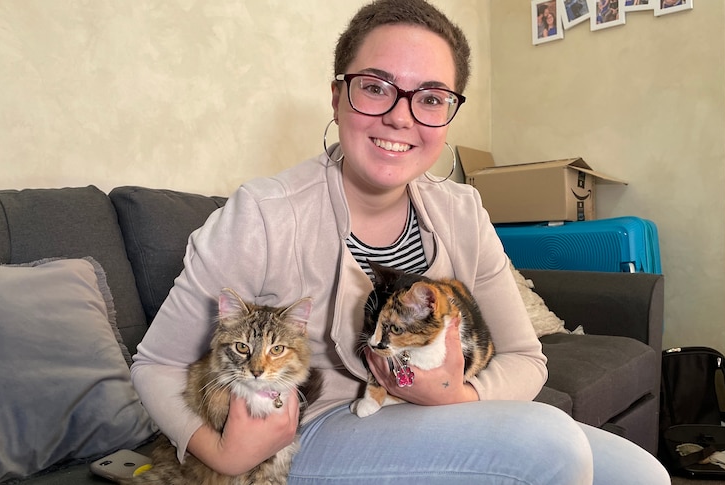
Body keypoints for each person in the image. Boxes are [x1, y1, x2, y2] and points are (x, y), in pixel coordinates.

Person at [130, 0, 671, 483]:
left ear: (448, 112)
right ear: (338, 96)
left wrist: (457, 394)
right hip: (315, 429)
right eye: (375, 86)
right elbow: (154, 364)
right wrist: (221, 454)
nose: (400, 115)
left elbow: (527, 358)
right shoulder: (263, 216)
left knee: (640, 474)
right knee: (549, 446)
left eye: (431, 98)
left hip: (438, 412)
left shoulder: (462, 210)